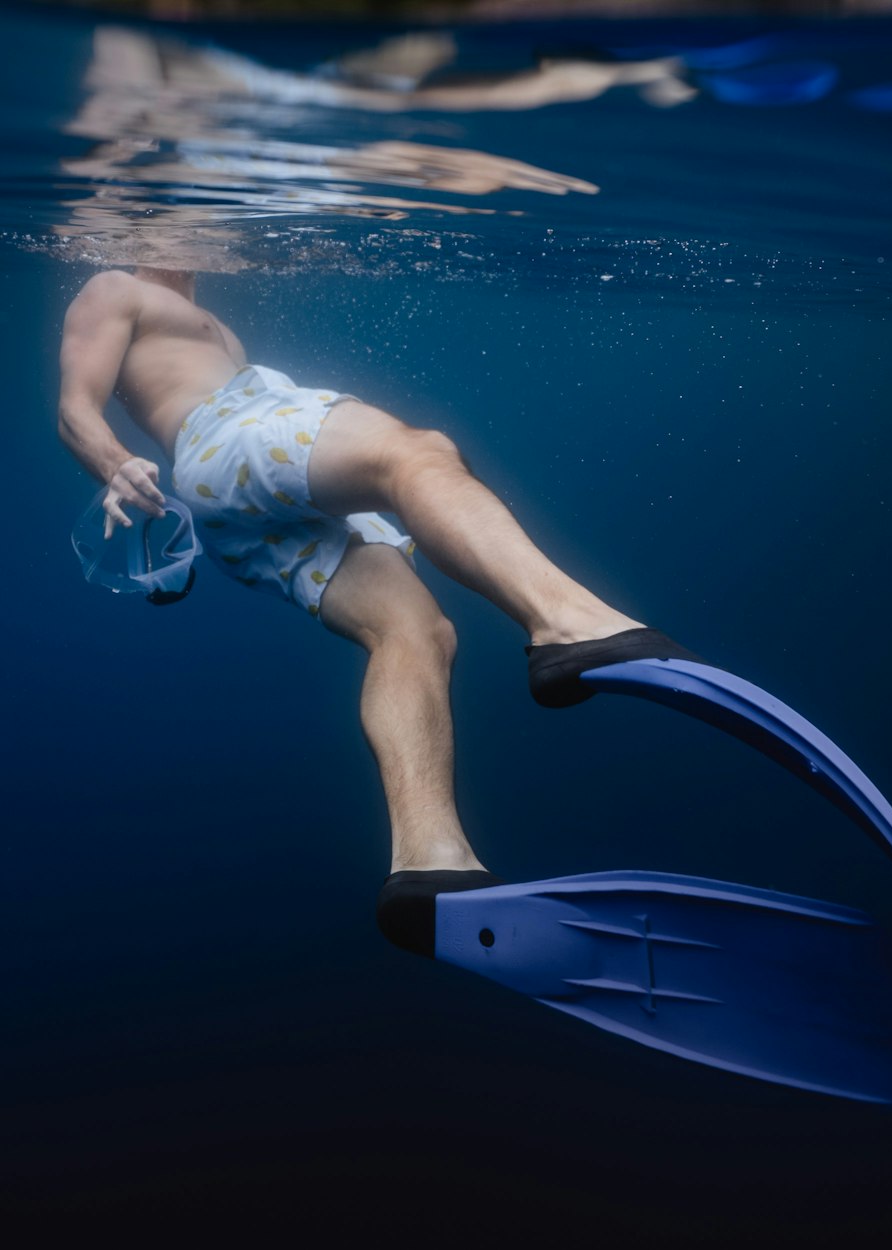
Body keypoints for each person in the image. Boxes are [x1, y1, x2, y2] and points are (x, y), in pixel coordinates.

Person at [58, 266, 686, 936]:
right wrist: (113, 464)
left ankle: (428, 859)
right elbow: (74, 408)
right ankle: (566, 623)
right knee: (415, 454)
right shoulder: (116, 286)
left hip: (227, 494)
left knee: (415, 630)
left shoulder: (197, 312)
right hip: (226, 435)